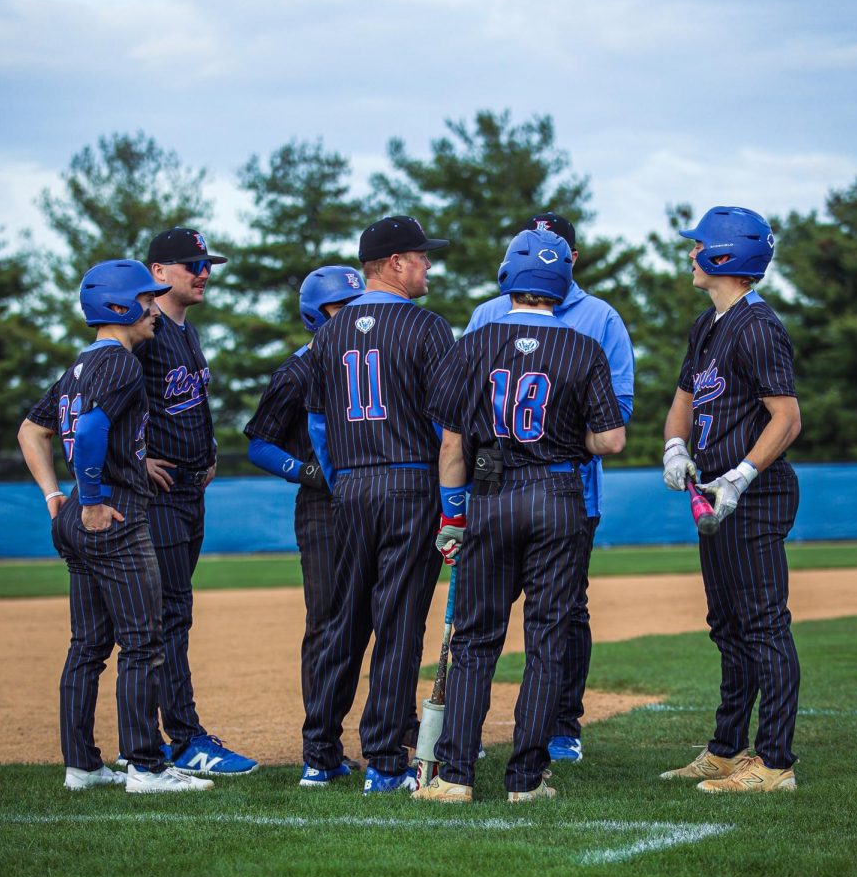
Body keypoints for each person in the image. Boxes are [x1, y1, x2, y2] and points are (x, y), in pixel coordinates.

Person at [413, 228, 625, 803]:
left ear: (508, 276)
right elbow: (611, 439)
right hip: (558, 497)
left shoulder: (476, 340)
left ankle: (453, 775)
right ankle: (526, 779)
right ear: (561, 283)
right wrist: (568, 436)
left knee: (477, 638)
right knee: (549, 637)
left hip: (490, 493)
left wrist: (452, 516)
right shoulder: (584, 347)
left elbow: (452, 445)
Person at [18, 259, 213, 794]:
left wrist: (58, 496)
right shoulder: (124, 364)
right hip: (115, 517)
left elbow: (31, 432)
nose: (154, 307)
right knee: (143, 644)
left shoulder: (78, 367)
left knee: (87, 647)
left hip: (81, 515)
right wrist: (95, 500)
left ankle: (81, 765)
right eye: (146, 299)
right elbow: (93, 426)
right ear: (120, 306)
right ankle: (147, 768)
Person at [465, 213, 635, 763]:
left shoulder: (601, 318)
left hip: (571, 491)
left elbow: (620, 407)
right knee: (495, 614)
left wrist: (553, 443)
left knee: (564, 614)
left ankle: (562, 724)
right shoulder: (487, 314)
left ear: (572, 256)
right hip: (508, 488)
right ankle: (494, 738)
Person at [300, 216, 454, 793]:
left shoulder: (328, 334)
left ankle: (319, 756)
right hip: (411, 484)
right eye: (420, 257)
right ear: (393, 263)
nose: (427, 266)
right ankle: (386, 763)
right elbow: (448, 424)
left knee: (342, 621)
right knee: (397, 624)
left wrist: (341, 479)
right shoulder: (427, 327)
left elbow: (317, 423)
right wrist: (454, 497)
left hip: (352, 489)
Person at [659, 206, 803, 793]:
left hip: (753, 495)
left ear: (726, 256)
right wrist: (675, 446)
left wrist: (739, 476)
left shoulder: (760, 326)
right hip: (712, 496)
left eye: (699, 246)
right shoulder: (708, 324)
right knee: (728, 627)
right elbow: (683, 402)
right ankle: (725, 750)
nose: (692, 254)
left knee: (763, 626)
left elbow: (787, 418)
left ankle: (773, 763)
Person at [132, 227, 259, 777]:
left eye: (206, 263)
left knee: (171, 614)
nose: (202, 272)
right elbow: (95, 404)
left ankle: (147, 739)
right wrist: (133, 461)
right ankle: (183, 739)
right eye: (190, 264)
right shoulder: (145, 333)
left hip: (187, 491)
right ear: (157, 272)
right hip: (157, 498)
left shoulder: (185, 331)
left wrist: (206, 450)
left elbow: (187, 402)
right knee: (166, 618)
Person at [242, 264, 364, 722]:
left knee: (388, 616)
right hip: (322, 507)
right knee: (328, 620)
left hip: (371, 498)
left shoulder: (371, 360)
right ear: (316, 314)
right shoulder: (297, 372)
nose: (352, 313)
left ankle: (400, 725)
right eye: (342, 306)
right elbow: (258, 443)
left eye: (358, 303)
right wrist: (303, 469)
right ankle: (322, 734)